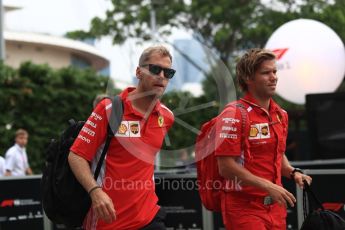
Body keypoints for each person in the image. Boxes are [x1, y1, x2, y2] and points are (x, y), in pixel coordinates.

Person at [68, 45, 175, 229]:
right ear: (139, 72)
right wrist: (95, 192)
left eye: (168, 72)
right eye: (155, 69)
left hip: (148, 218)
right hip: (107, 221)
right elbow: (76, 156)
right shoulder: (109, 109)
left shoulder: (167, 116)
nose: (162, 77)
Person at [215, 48, 312, 230]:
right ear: (248, 78)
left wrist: (293, 173)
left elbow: (277, 156)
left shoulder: (280, 114)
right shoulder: (233, 113)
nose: (273, 77)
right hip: (244, 208)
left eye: (274, 71)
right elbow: (225, 167)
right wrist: (268, 186)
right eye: (266, 73)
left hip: (276, 208)